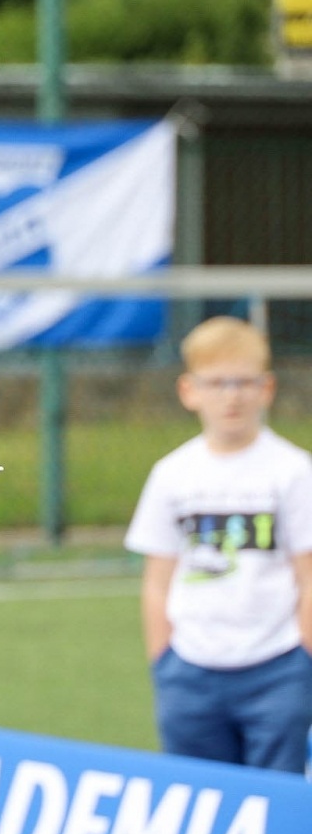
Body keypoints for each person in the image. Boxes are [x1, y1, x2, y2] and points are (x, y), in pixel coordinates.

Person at [126, 315, 312, 772]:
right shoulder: (172, 473)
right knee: (199, 797)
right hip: (190, 671)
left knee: (278, 798)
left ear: (266, 388)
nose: (231, 396)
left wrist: (303, 657)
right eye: (216, 383)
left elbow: (307, 576)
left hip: (278, 667)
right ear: (189, 390)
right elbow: (157, 580)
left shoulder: (293, 471)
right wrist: (164, 660)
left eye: (244, 382)